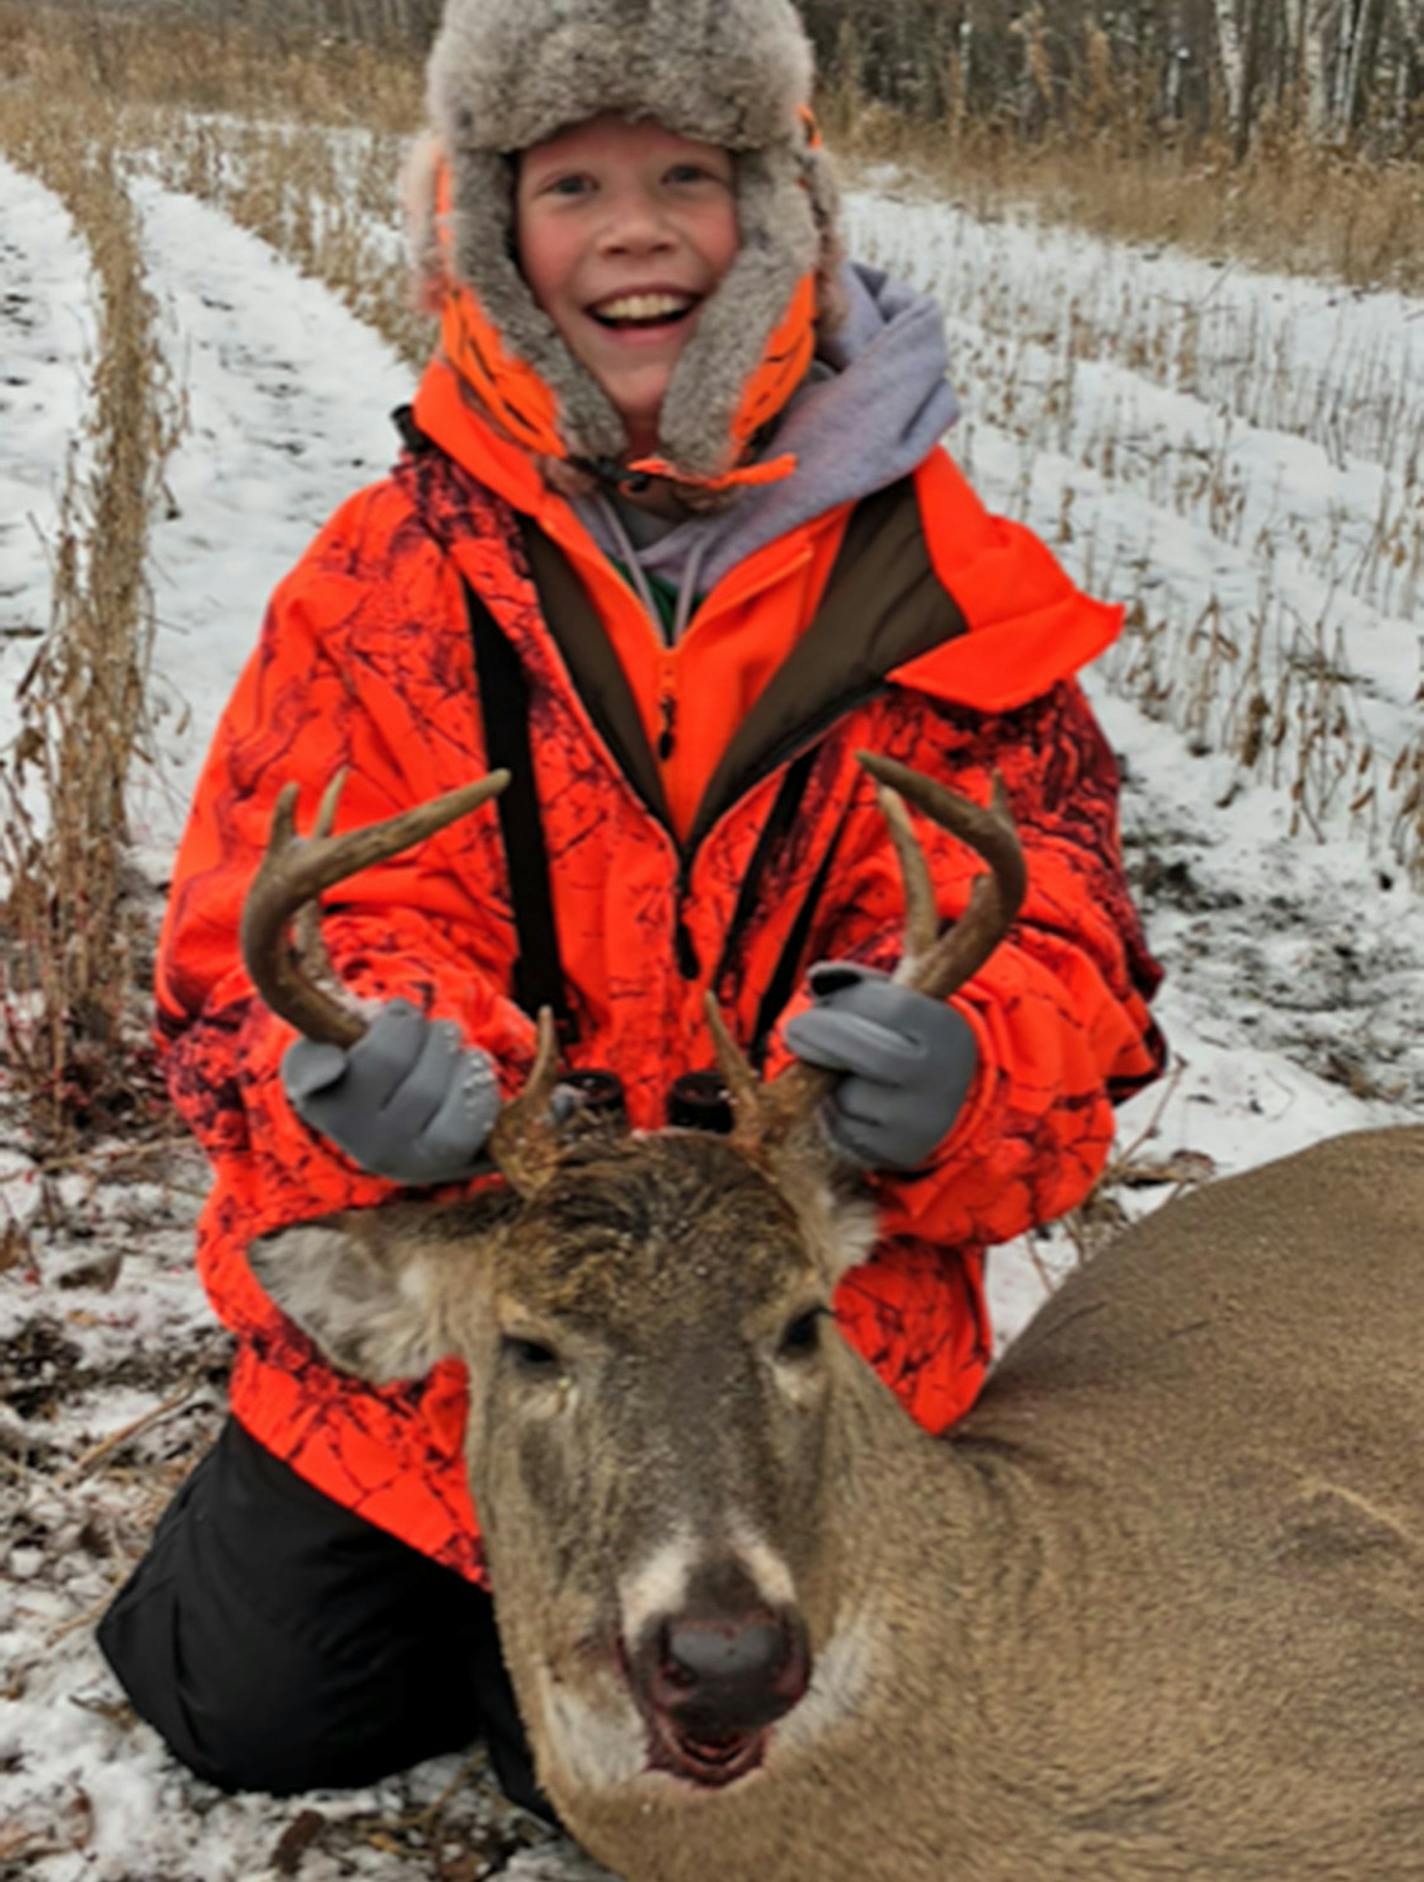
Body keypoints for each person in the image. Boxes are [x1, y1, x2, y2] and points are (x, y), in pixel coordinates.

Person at [99, 0, 1164, 1818]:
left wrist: (966, 1071)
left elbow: (1071, 946)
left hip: (805, 1320)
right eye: (573, 180)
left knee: (675, 1784)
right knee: (250, 1703)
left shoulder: (948, 592)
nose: (640, 227)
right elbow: (245, 950)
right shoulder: (389, 585)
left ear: (781, 211)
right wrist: (346, 1060)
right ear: (493, 236)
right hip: (495, 1318)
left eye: (693, 173)